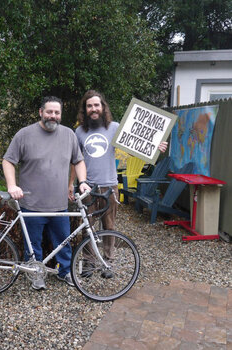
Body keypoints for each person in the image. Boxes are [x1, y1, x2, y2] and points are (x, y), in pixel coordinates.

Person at [69, 90, 167, 278]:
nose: (93, 109)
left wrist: (155, 146)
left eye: (97, 105)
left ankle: (108, 263)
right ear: (85, 109)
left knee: (109, 226)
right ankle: (89, 263)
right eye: (89, 106)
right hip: (86, 187)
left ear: (103, 107)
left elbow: (135, 146)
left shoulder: (114, 127)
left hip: (109, 186)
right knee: (86, 226)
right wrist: (70, 184)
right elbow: (75, 160)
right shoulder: (79, 131)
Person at [2, 96, 90, 290]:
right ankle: (35, 275)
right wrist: (11, 185)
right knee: (32, 245)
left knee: (63, 242)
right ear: (41, 112)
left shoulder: (69, 135)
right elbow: (8, 160)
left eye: (57, 113)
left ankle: (65, 272)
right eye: (49, 112)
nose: (53, 116)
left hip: (60, 205)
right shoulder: (24, 135)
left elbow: (79, 161)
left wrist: (82, 182)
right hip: (31, 204)